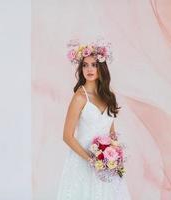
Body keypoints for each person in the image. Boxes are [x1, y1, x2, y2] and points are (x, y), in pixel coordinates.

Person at [56, 40, 131, 200]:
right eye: (85, 65)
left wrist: (114, 157)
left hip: (106, 165)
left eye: (94, 65)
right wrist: (92, 160)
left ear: (101, 68)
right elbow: (67, 136)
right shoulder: (79, 97)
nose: (89, 69)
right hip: (83, 163)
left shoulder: (108, 96)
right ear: (80, 68)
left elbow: (111, 132)